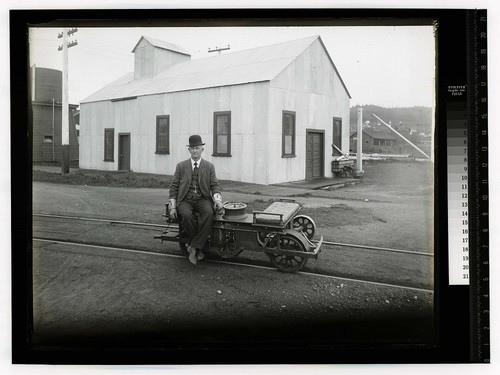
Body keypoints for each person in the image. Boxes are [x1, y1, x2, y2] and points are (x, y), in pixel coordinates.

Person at [168, 135, 224, 265]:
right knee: (186, 215)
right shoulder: (181, 166)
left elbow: (215, 186)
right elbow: (174, 187)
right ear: (189, 150)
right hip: (185, 200)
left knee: (209, 213)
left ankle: (193, 247)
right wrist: (173, 207)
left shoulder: (209, 167)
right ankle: (198, 247)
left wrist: (217, 200)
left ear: (202, 150)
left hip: (202, 199)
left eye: (197, 148)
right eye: (192, 148)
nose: (194, 151)